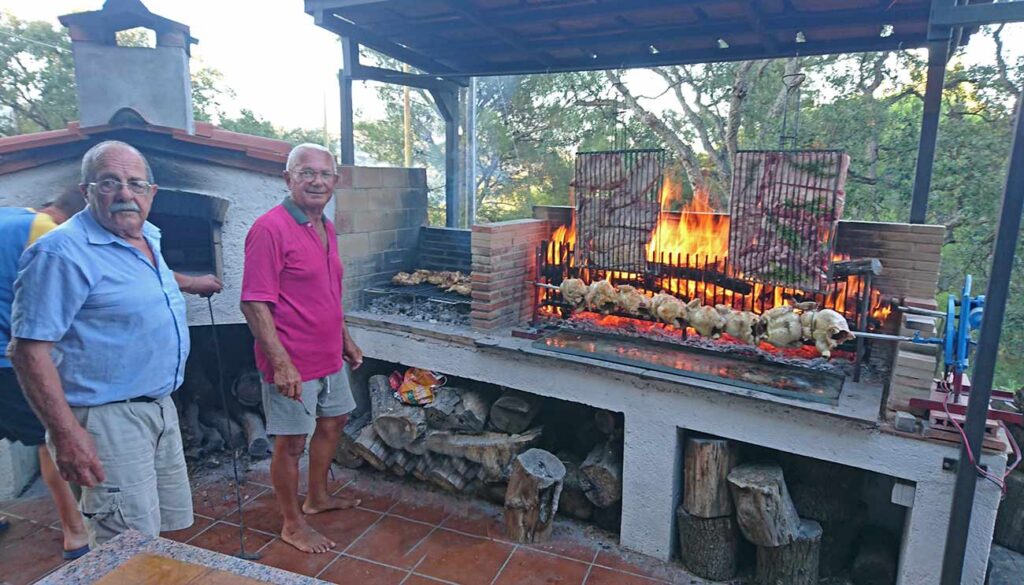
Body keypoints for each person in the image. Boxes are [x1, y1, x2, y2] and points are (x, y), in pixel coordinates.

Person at [8, 140, 222, 547]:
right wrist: (67, 435)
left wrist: (193, 284)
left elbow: (142, 283)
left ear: (151, 193)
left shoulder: (148, 238)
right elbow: (27, 351)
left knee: (159, 536)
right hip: (106, 421)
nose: (125, 193)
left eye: (135, 183)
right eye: (110, 182)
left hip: (158, 409)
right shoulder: (61, 253)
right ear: (87, 190)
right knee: (124, 548)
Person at [240, 143, 362, 554]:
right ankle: (292, 524)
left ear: (335, 182)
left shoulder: (324, 226)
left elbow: (329, 289)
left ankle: (317, 498)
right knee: (291, 443)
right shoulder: (269, 229)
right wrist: (281, 364)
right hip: (291, 359)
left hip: (328, 354)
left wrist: (344, 337)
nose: (316, 181)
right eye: (306, 173)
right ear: (287, 178)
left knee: (336, 420)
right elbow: (254, 302)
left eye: (324, 174)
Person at [0, 188, 90, 559]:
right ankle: (76, 533)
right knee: (51, 439)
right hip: (8, 362)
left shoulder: (9, 216)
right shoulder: (45, 230)